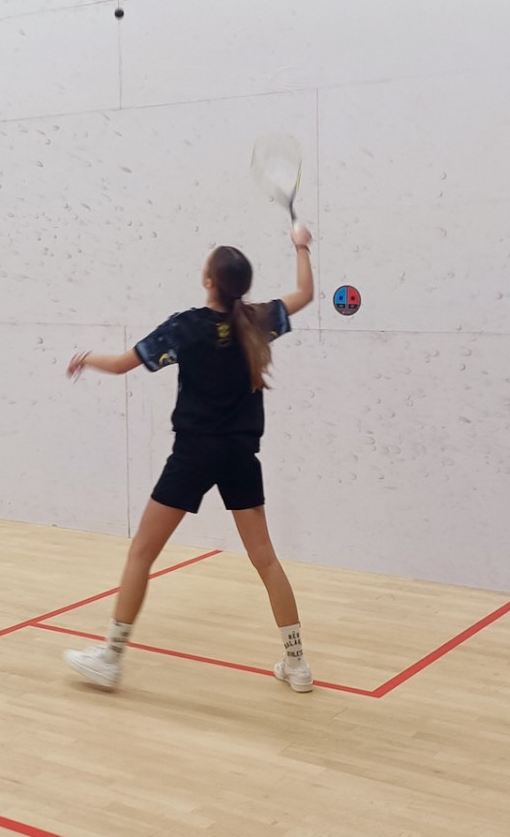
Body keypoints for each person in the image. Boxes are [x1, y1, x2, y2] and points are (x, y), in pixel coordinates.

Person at [63, 223, 316, 693]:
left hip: (194, 455)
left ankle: (110, 659)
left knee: (142, 552)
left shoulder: (184, 327)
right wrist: (301, 246)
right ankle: (297, 664)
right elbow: (305, 293)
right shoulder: (257, 320)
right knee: (266, 560)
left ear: (209, 281)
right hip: (240, 455)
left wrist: (86, 359)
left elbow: (121, 364)